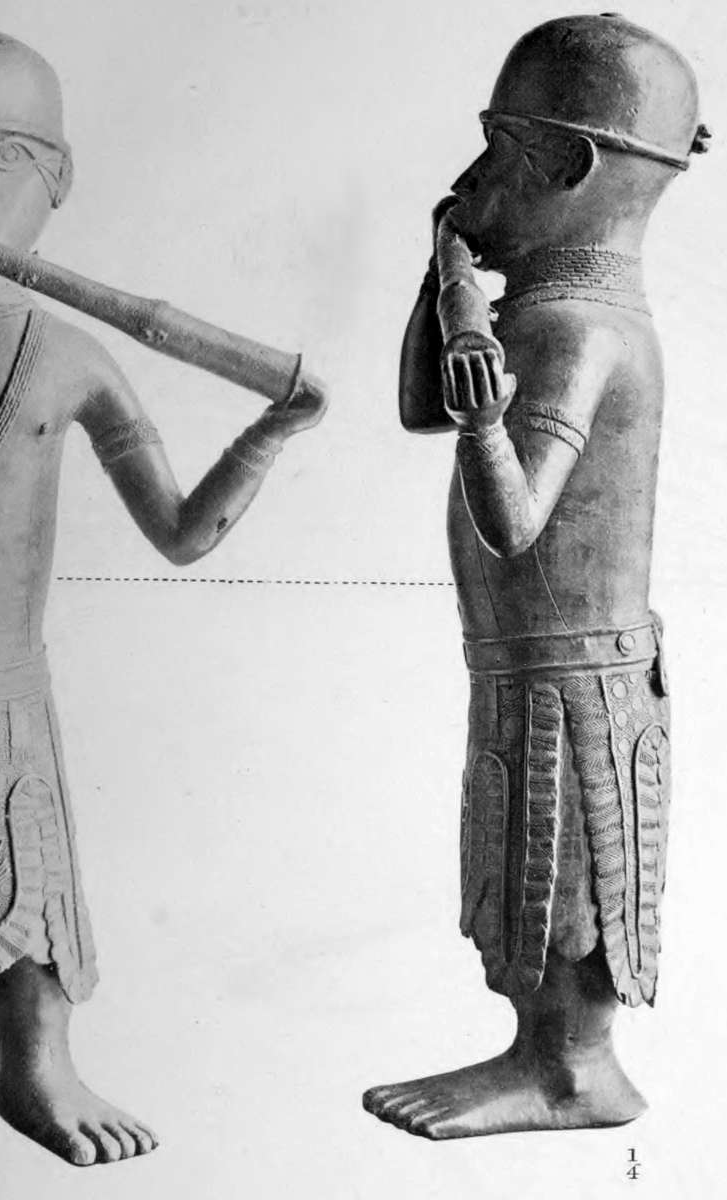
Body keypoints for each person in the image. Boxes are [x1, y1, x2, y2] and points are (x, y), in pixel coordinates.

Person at [0, 27, 325, 1167]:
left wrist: (269, 433)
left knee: (29, 884)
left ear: (58, 182)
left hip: (10, 699)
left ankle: (32, 1067)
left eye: (1, 157)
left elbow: (180, 532)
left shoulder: (68, 356)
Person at [363, 14, 706, 1138]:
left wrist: (483, 414)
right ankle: (545, 1061)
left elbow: (512, 522)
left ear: (568, 167)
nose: (470, 181)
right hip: (534, 658)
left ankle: (569, 1075)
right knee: (526, 862)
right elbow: (420, 406)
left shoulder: (572, 330)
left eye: (498, 151)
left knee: (561, 872)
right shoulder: (555, 311)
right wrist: (447, 289)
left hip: (568, 669)